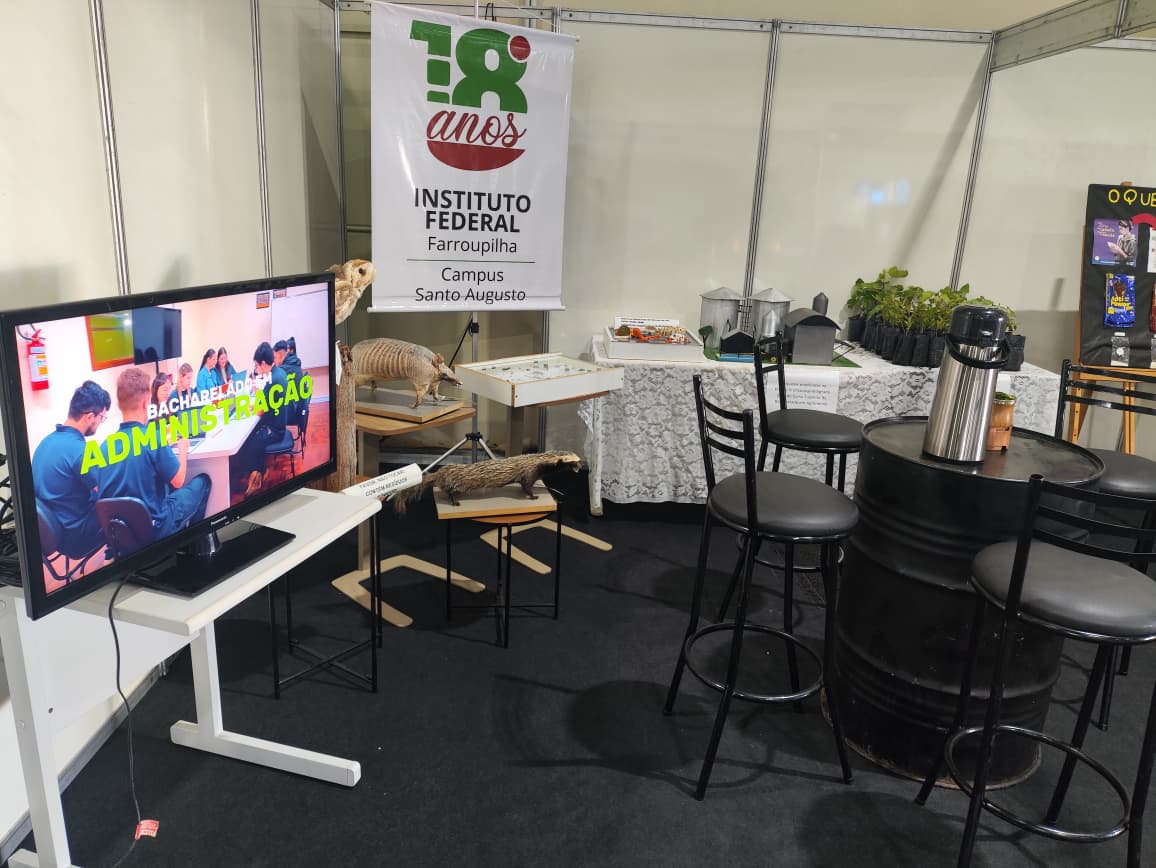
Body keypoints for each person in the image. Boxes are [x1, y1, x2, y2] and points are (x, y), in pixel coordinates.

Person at [96, 367, 211, 537]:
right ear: (146, 403)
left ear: (119, 405)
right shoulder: (151, 438)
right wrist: (182, 450)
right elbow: (178, 481)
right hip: (157, 528)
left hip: (123, 535)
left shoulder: (103, 448)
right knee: (203, 482)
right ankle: (192, 540)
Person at [30, 381, 112, 557]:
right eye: (101, 418)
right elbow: (108, 490)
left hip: (52, 533)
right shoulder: (83, 451)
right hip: (76, 537)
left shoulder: (45, 443)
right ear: (90, 417)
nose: (100, 423)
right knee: (125, 499)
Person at [236, 342, 290, 496]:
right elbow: (264, 403)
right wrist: (252, 406)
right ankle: (260, 471)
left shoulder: (274, 379)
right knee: (250, 440)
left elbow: (261, 410)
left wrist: (245, 411)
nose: (256, 369)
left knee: (249, 445)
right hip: (277, 422)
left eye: (256, 365)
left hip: (275, 429)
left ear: (264, 363)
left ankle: (256, 477)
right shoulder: (278, 372)